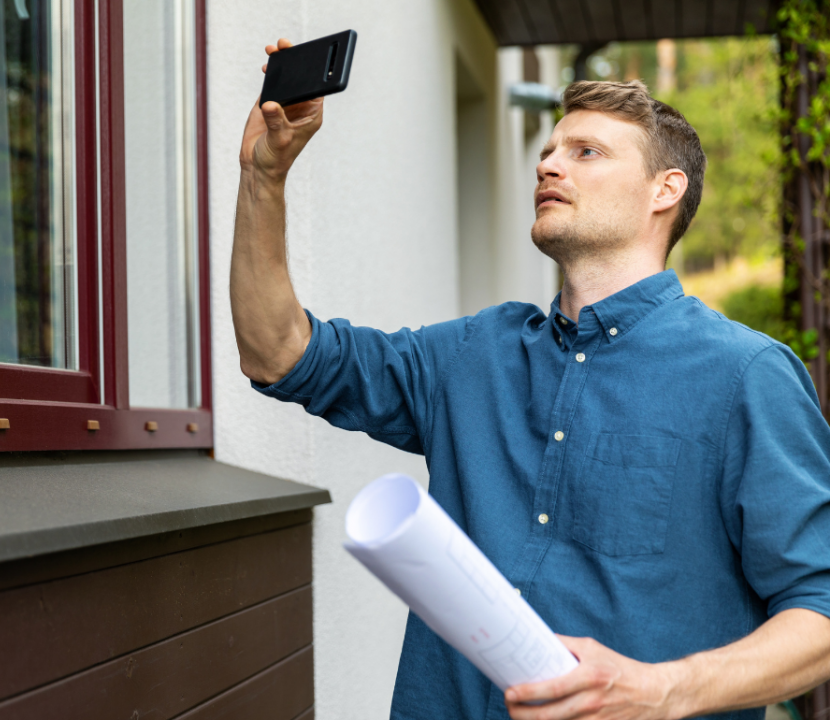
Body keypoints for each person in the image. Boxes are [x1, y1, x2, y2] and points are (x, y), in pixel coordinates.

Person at [230, 38, 830, 720]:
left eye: (587, 152)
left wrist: (664, 690)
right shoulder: (472, 354)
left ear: (665, 190)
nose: (549, 164)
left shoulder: (745, 376)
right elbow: (277, 352)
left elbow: (821, 613)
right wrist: (263, 177)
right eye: (549, 150)